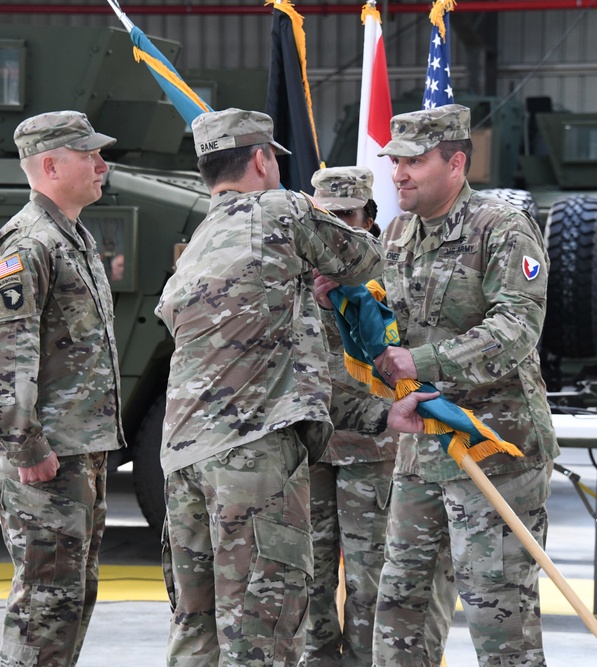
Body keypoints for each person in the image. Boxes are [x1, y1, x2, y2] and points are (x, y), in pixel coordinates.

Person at [315, 104, 559, 667]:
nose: (397, 173)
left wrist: (422, 360)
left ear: (455, 163)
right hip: (421, 449)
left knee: (498, 613)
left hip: (494, 447)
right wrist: (344, 301)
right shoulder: (398, 233)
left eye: (413, 161)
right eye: (393, 161)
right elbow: (381, 316)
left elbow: (518, 326)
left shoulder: (499, 227)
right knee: (399, 607)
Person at [153, 108, 386, 667]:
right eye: (274, 161)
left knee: (198, 627)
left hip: (183, 460)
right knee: (263, 631)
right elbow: (362, 256)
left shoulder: (202, 237)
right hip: (251, 458)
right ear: (260, 159)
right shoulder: (279, 210)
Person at [0, 110, 126, 667]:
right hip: (48, 455)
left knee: (72, 595)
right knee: (45, 600)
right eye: (90, 156)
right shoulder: (28, 243)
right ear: (50, 165)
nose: (102, 166)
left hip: (78, 447)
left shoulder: (74, 237)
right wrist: (26, 446)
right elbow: (2, 354)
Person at [299, 166, 395, 667]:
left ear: (370, 219)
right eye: (327, 219)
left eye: (348, 218)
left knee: (368, 579)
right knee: (308, 575)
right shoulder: (295, 271)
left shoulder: (390, 275)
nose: (337, 230)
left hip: (370, 446)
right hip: (310, 445)